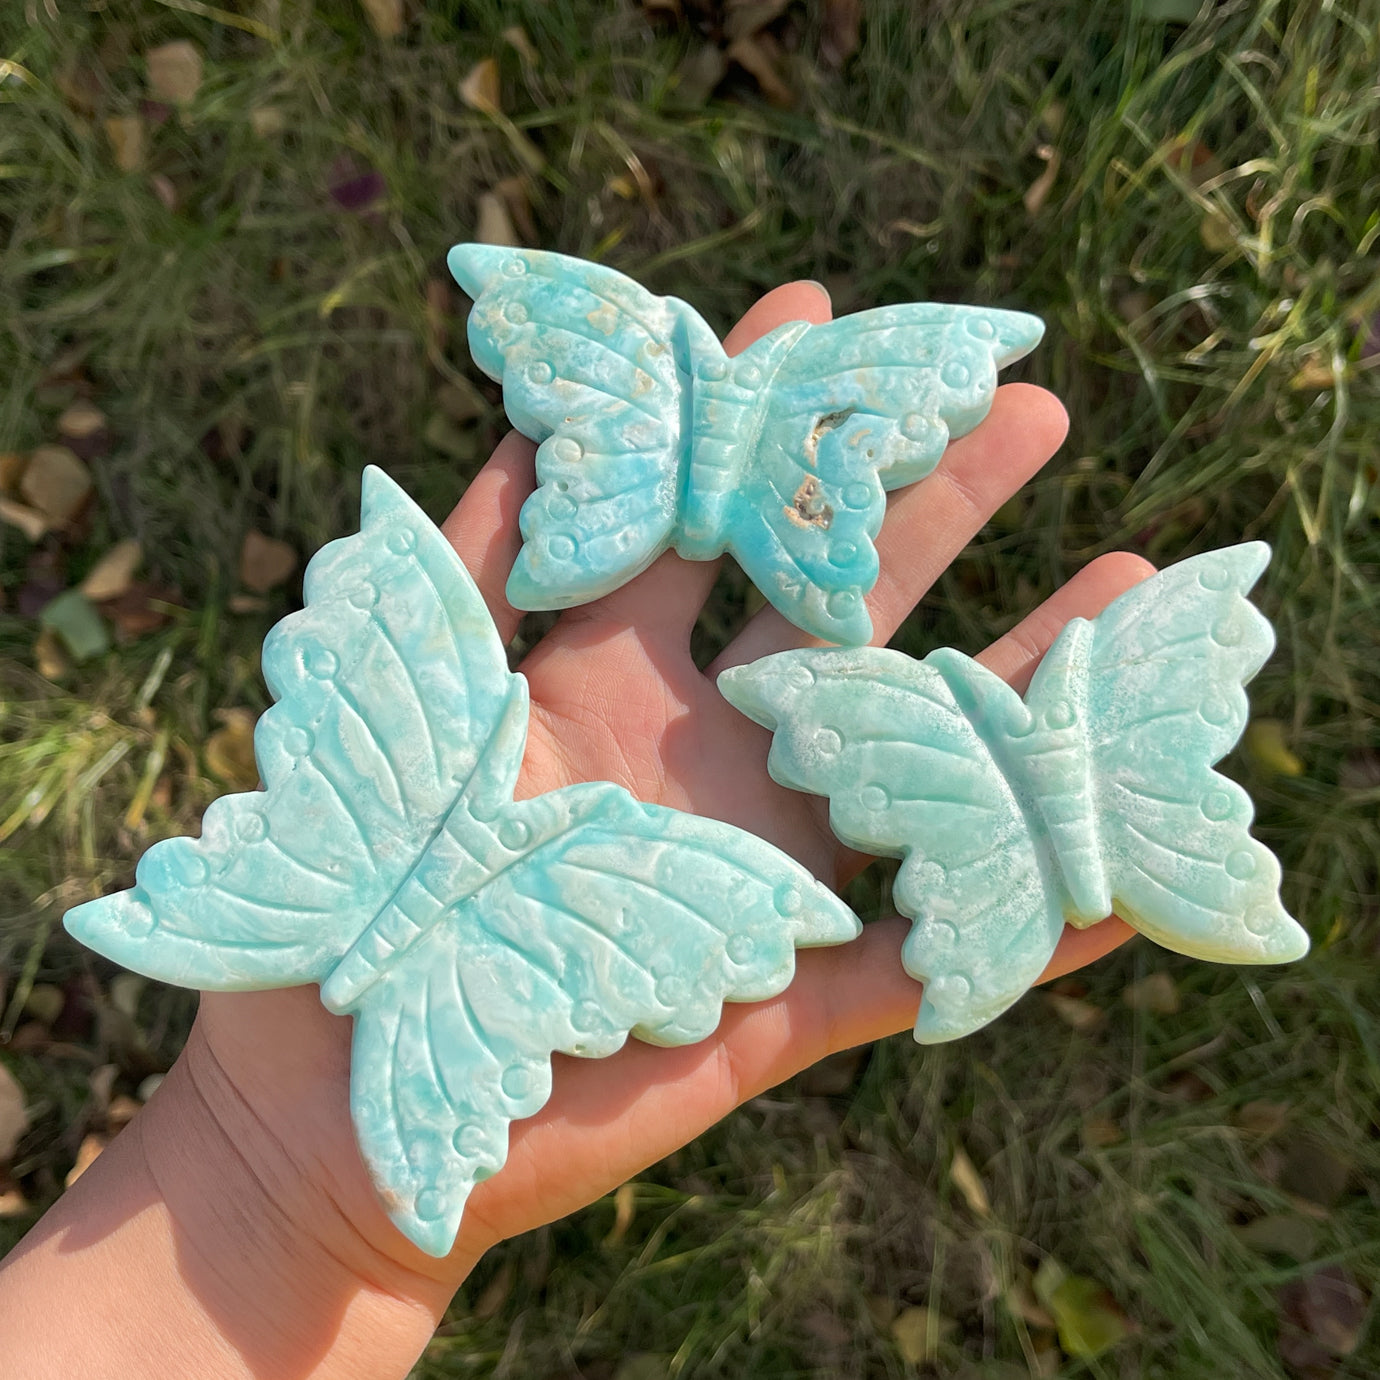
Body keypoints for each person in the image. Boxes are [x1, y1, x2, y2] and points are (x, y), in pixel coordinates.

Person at [0, 280, 1144, 1379]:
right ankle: (305, 1031)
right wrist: (287, 1202)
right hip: (440, 988)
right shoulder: (659, 869)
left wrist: (285, 1203)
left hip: (328, 884)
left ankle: (232, 939)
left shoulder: (441, 700)